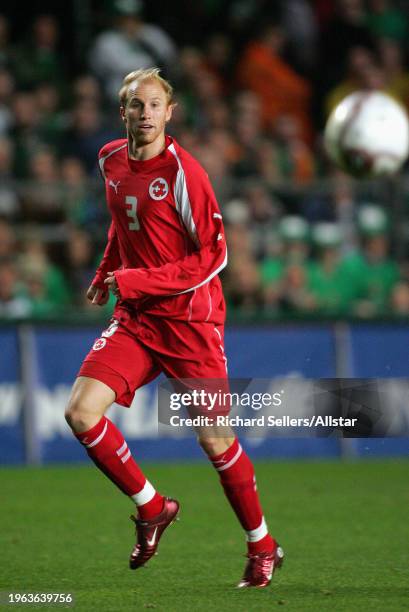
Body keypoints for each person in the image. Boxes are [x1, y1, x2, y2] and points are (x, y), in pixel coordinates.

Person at [64, 67, 284, 588]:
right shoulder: (109, 159)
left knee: (215, 440)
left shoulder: (185, 174)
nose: (146, 114)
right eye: (136, 105)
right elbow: (125, 223)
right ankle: (153, 507)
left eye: (155, 105)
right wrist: (104, 273)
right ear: (123, 112)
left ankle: (263, 545)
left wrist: (135, 280)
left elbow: (216, 254)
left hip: (190, 322)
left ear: (170, 112)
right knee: (80, 412)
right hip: (138, 321)